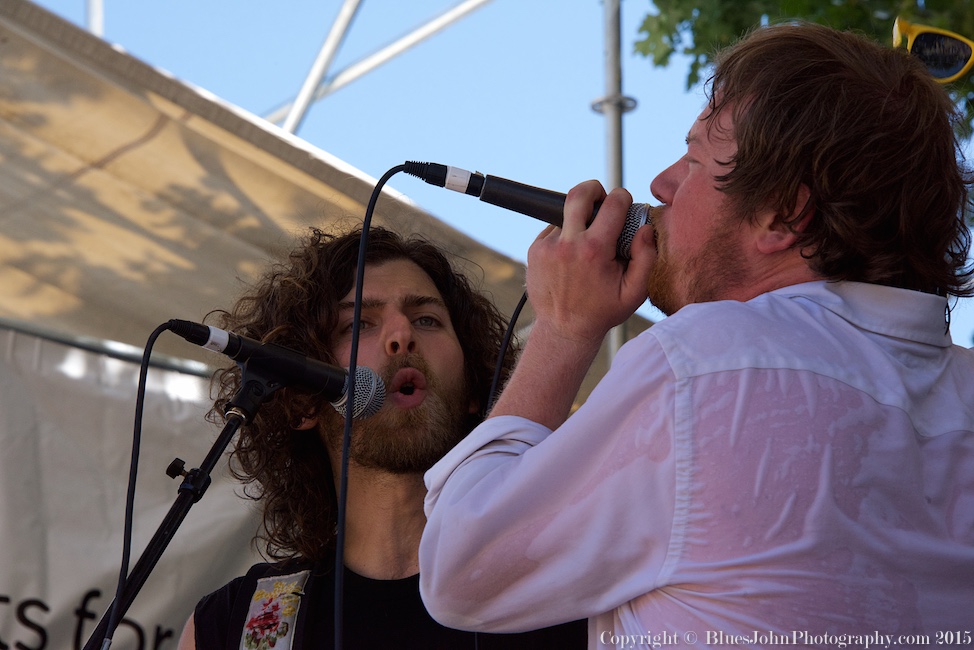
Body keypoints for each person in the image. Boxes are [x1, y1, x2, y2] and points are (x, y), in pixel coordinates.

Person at [419, 21, 974, 645]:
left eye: (695, 158)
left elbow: (463, 571)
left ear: (783, 215)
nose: (661, 185)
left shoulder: (711, 360)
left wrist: (564, 329)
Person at [176, 225, 586, 649]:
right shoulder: (234, 623)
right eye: (360, 325)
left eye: (427, 319)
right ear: (301, 402)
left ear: (475, 390)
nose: (401, 335)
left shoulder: (573, 599)